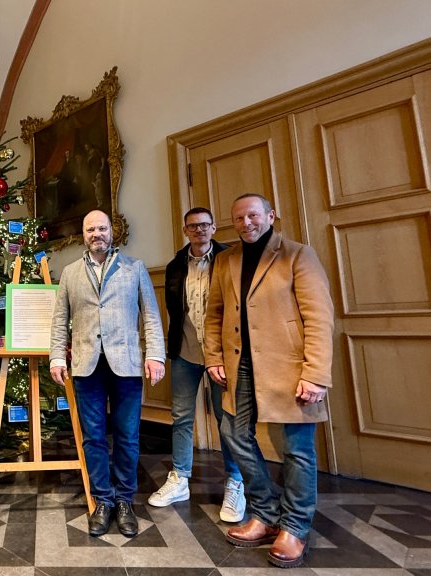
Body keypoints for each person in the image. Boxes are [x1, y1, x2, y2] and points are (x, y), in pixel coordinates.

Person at [204, 194, 334, 569]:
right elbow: (214, 314)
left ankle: (294, 526)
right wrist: (213, 356)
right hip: (238, 366)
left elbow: (320, 319)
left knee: (297, 449)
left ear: (270, 216)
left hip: (289, 368)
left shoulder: (297, 254)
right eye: (239, 217)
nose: (246, 223)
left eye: (253, 215)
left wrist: (316, 373)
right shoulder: (225, 260)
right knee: (233, 434)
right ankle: (264, 512)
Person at [50, 210, 165, 538]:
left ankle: (125, 500)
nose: (96, 233)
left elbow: (152, 317)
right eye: (90, 229)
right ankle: (102, 500)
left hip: (126, 365)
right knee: (94, 437)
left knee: (128, 436)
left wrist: (155, 355)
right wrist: (57, 357)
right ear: (83, 234)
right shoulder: (71, 273)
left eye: (102, 228)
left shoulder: (135, 268)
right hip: (87, 367)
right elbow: (60, 321)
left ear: (112, 232)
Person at [148, 208, 246, 523]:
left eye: (205, 225)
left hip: (223, 355)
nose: (200, 230)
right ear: (186, 230)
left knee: (226, 417)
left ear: (214, 227)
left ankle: (235, 481)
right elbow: (175, 310)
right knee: (181, 417)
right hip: (185, 351)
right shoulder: (176, 266)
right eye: (193, 226)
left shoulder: (231, 259)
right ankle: (179, 478)